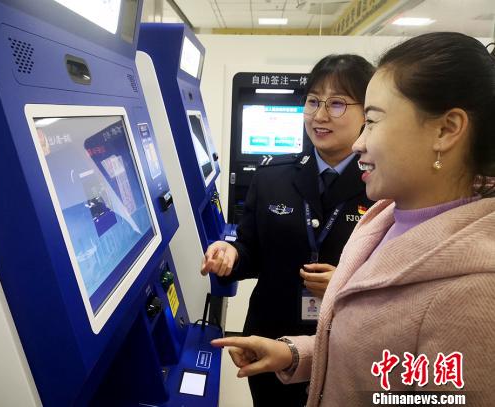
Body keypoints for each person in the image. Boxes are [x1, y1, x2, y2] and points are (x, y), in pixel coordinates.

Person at [212, 32, 495, 407]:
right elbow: (374, 355)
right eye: (313, 102)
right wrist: (295, 354)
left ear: (445, 129)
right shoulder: (386, 215)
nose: (360, 142)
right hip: (284, 342)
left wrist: (342, 287)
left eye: (372, 120)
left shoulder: (476, 292)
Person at [201, 54, 375, 406]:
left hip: (346, 343)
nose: (320, 115)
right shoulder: (271, 178)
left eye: (337, 103)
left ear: (366, 114)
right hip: (269, 338)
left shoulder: (382, 186)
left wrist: (344, 283)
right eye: (312, 101)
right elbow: (251, 251)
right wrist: (231, 254)